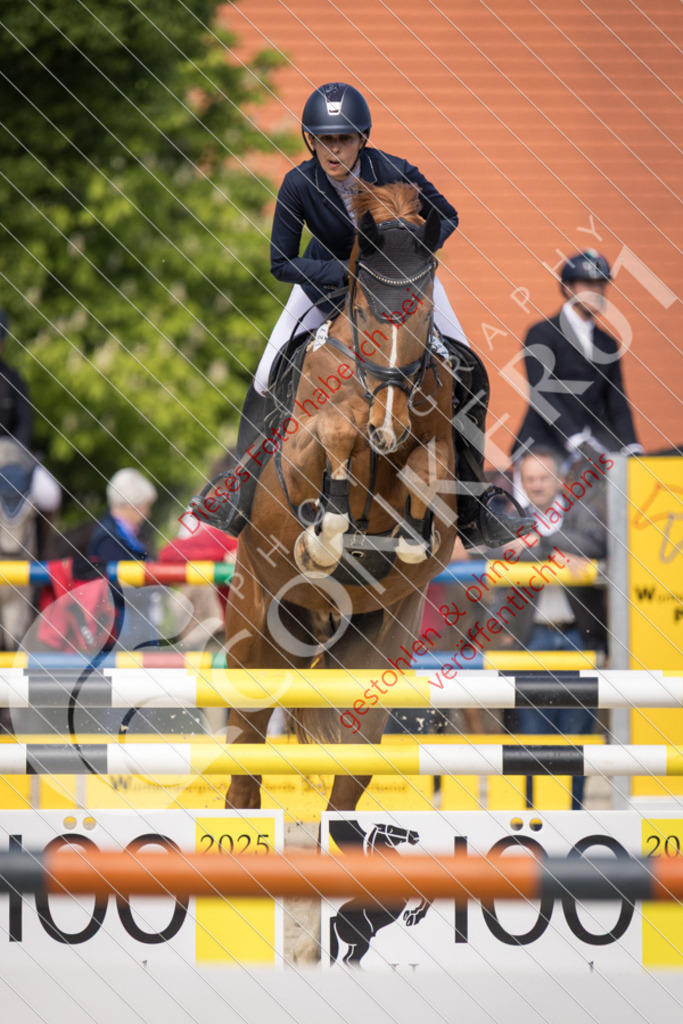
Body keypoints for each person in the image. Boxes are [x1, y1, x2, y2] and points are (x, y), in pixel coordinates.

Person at [196, 82, 531, 548]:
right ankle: (239, 488)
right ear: (311, 140)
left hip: (398, 285)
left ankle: (474, 504)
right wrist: (350, 272)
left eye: (345, 138)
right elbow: (280, 263)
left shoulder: (394, 170)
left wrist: (406, 255)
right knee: (266, 374)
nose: (335, 150)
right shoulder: (299, 184)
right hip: (326, 285)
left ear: (362, 139)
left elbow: (448, 216)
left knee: (467, 365)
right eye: (325, 139)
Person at [492, 447, 608, 808]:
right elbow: (500, 555)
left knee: (575, 733)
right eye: (530, 479)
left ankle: (571, 816)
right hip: (532, 638)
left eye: (543, 477)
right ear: (521, 483)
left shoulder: (580, 510)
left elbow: (595, 543)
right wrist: (557, 548)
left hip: (579, 634)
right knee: (532, 735)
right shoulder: (513, 517)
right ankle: (535, 820)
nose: (537, 484)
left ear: (559, 481)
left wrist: (541, 542)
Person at [511, 250, 643, 462]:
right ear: (568, 288)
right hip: (542, 450)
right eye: (588, 285)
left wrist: (632, 446)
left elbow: (616, 400)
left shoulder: (607, 343)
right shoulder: (542, 333)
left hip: (590, 453)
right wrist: (576, 440)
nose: (597, 291)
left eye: (601, 285)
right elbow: (542, 394)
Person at [87, 468, 157, 562]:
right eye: (145, 507)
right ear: (131, 506)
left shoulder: (135, 535)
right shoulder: (107, 542)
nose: (148, 514)